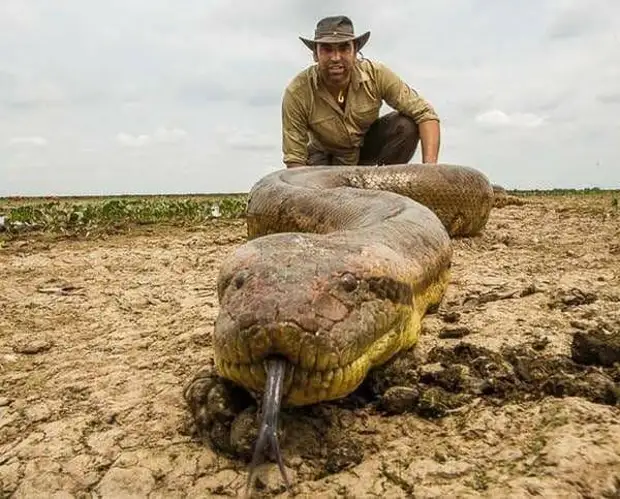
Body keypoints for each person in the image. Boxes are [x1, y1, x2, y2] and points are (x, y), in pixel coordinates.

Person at [281, 15, 441, 168]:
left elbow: (426, 114)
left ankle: (387, 187)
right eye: (327, 49)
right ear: (315, 54)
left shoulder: (377, 74)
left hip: (364, 149)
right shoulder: (297, 92)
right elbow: (295, 161)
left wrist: (430, 170)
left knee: (406, 125)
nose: (336, 57)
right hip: (323, 159)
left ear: (355, 51)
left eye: (344, 48)